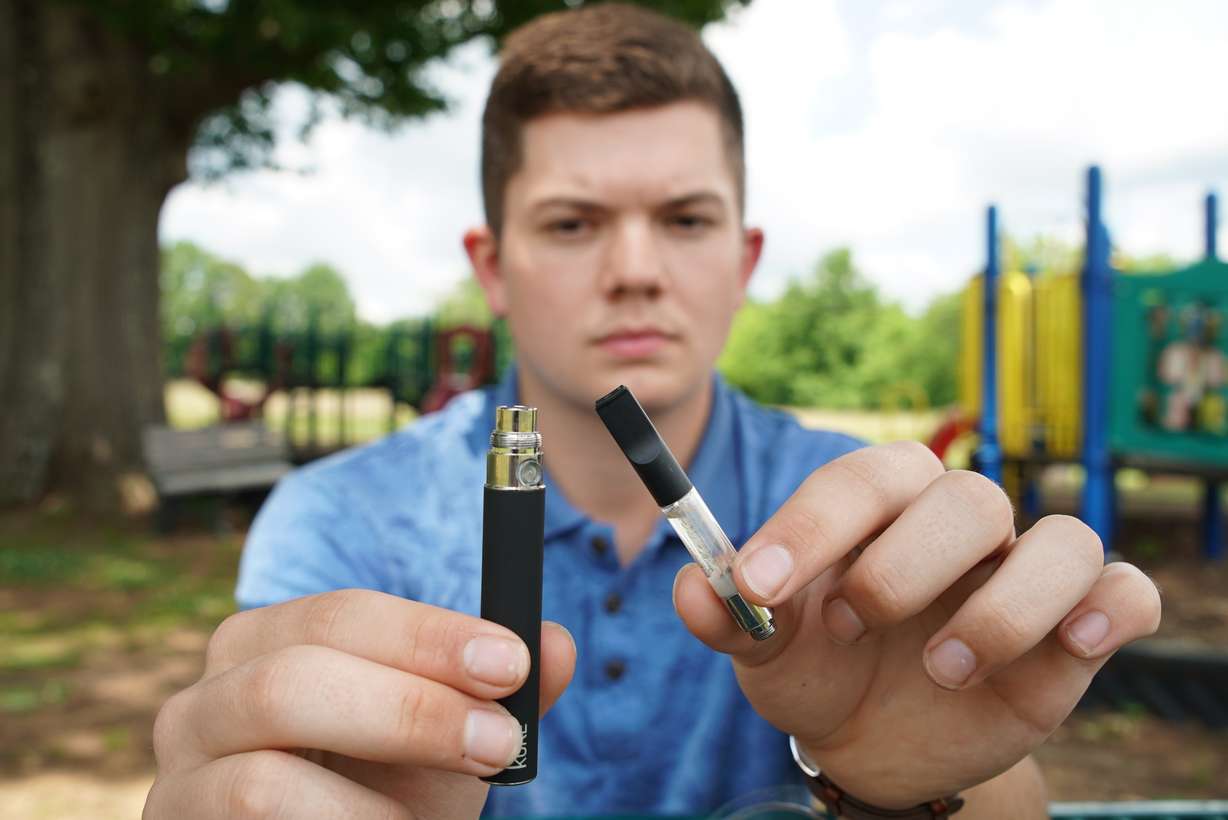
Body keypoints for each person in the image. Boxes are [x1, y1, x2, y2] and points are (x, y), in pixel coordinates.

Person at [143, 5, 1162, 818]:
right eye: (572, 223)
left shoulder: (869, 525)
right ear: (491, 267)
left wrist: (914, 786)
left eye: (684, 218)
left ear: (743, 259)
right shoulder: (341, 522)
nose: (634, 271)